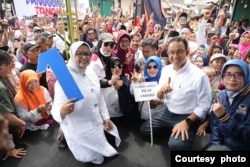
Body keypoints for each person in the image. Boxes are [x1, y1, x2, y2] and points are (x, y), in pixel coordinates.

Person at [51, 41, 120, 164]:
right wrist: (62, 111)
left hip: (95, 122)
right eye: (80, 54)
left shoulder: (91, 72)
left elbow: (99, 98)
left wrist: (106, 117)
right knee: (89, 157)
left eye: (87, 54)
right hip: (79, 127)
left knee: (104, 149)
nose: (84, 57)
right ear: (72, 55)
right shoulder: (65, 78)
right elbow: (55, 108)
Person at [140, 37, 211, 150]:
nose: (175, 56)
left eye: (180, 51)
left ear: (187, 52)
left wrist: (187, 122)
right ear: (168, 53)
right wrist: (161, 91)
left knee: (176, 146)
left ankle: (185, 129)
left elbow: (204, 105)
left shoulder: (199, 76)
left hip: (187, 116)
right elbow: (159, 96)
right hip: (167, 112)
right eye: (172, 52)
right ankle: (173, 129)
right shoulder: (166, 70)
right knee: (144, 131)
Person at [207, 59, 250, 150]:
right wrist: (216, 146)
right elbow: (215, 127)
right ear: (222, 76)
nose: (232, 79)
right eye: (228, 74)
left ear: (246, 76)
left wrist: (224, 117)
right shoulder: (221, 95)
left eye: (238, 74)